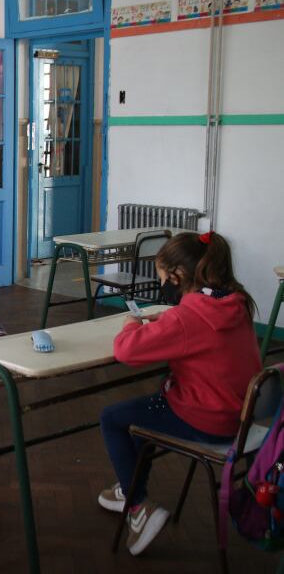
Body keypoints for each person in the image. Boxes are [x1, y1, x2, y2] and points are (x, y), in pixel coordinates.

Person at [98, 231, 261, 556]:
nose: (162, 284)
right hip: (242, 418)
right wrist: (173, 318)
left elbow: (127, 351)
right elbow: (195, 328)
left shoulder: (187, 319)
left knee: (113, 417)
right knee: (143, 414)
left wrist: (133, 323)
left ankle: (138, 508)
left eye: (161, 276)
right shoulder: (233, 303)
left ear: (177, 275)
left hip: (208, 419)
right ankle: (129, 488)